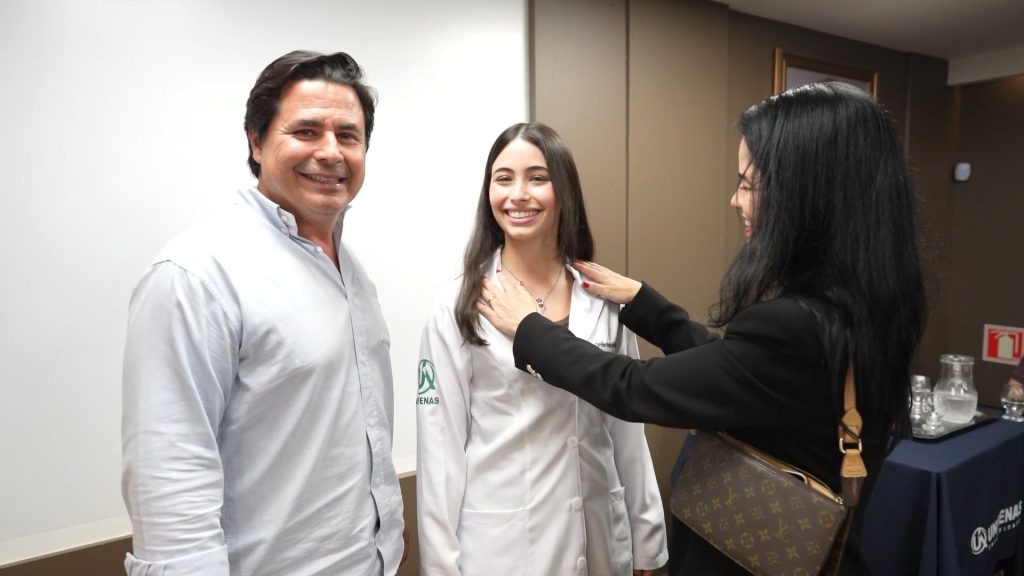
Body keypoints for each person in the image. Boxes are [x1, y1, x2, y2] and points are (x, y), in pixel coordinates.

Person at [480, 82, 928, 575]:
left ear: (805, 196)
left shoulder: (794, 326)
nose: (736, 200)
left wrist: (531, 330)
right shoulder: (866, 308)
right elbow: (742, 371)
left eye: (749, 184)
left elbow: (634, 387)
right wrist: (647, 306)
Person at [121, 51, 404, 576]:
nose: (330, 152)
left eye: (348, 135)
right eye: (306, 131)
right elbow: (170, 475)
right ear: (256, 141)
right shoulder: (197, 274)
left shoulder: (351, 273)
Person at [416, 122, 668, 575]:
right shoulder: (460, 304)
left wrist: (647, 537)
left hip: (602, 538)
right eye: (503, 178)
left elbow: (628, 429)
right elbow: (441, 454)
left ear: (563, 190)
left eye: (537, 178)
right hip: (503, 550)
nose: (518, 195)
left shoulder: (601, 297)